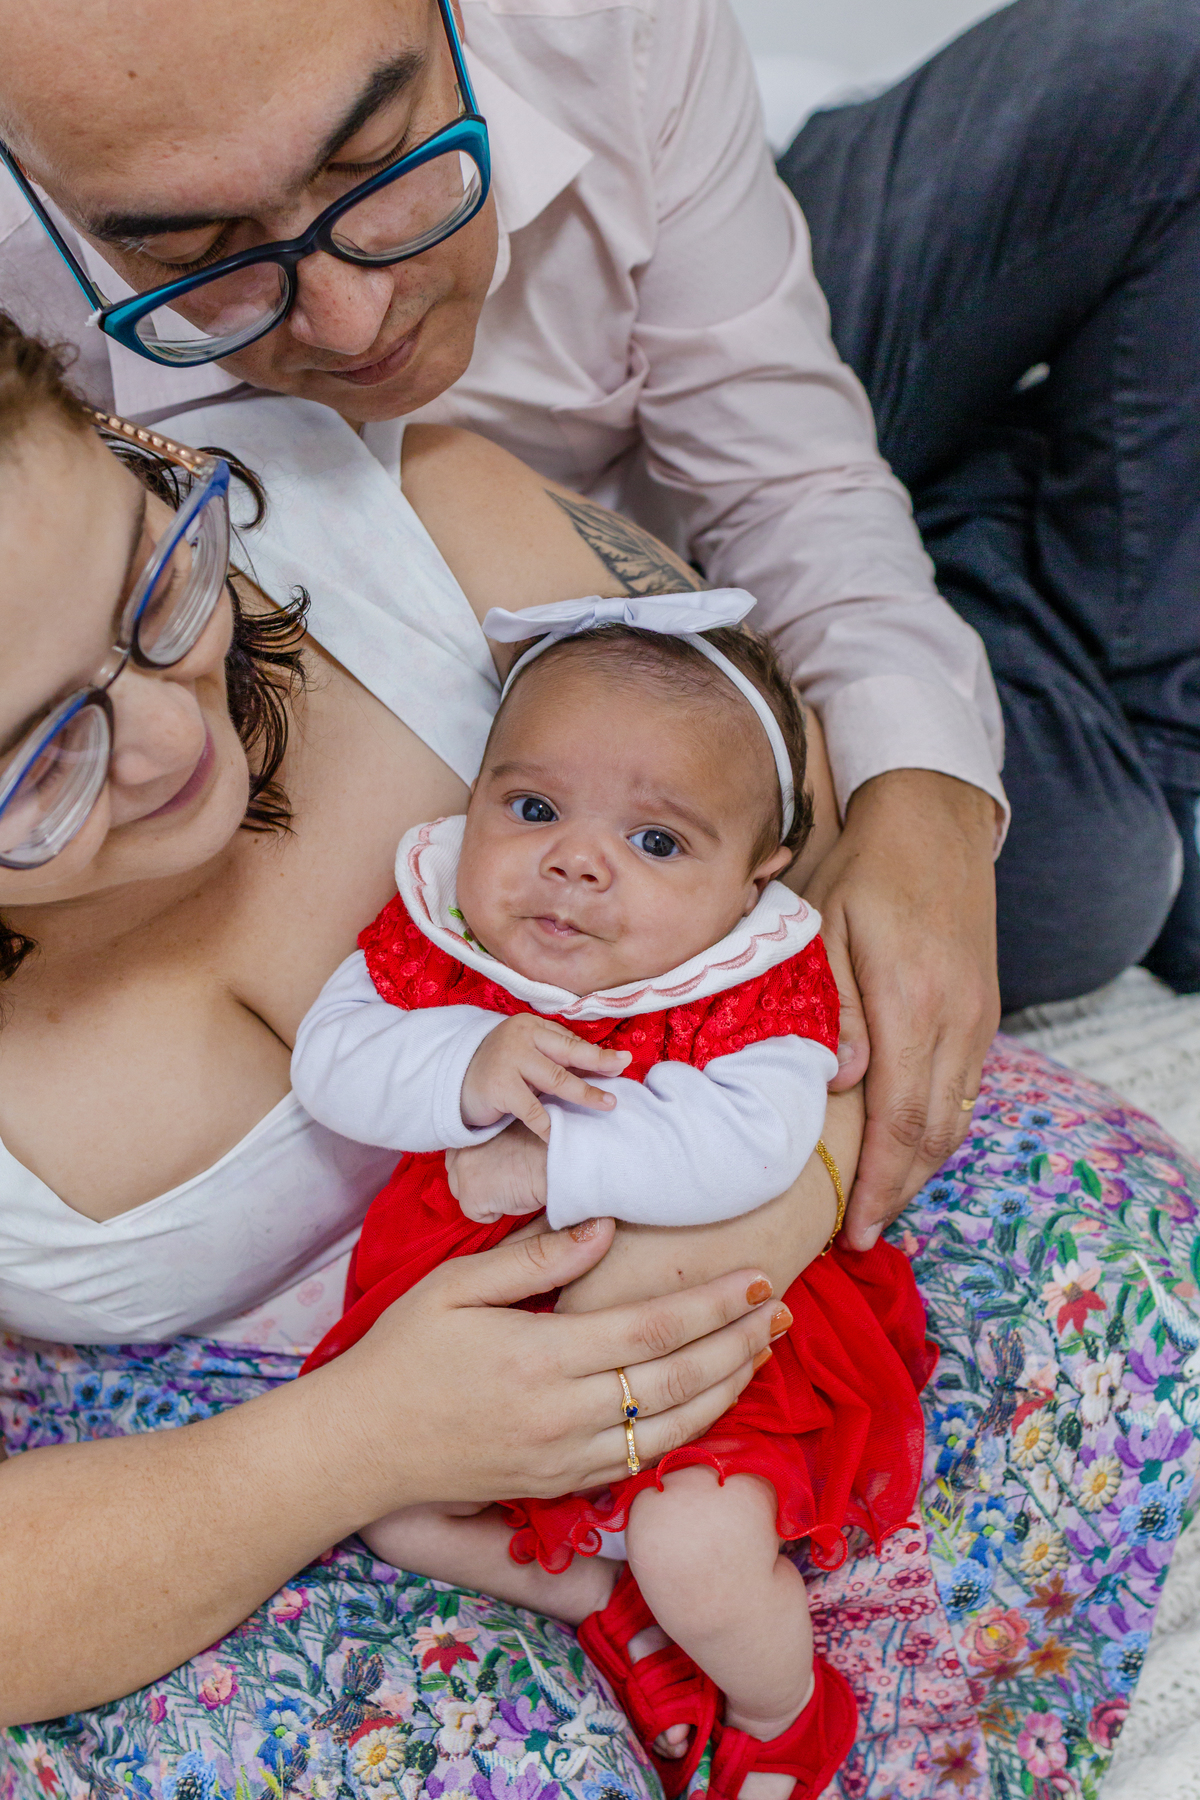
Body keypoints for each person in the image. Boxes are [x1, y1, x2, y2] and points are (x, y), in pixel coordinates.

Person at [0, 330, 1196, 1799]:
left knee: (1100, 1271)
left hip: (739, 1214)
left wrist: (787, 1196)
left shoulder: (395, 511)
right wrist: (360, 1441)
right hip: (242, 1485)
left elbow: (783, 817)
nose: (167, 727)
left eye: (152, 582)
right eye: (38, 760)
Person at [0, 0, 1007, 1258]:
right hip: (646, 606)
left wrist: (933, 793)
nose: (348, 323)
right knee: (1096, 860)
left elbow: (791, 485)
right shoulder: (40, 347)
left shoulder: (604, 32)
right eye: (195, 251)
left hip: (693, 558)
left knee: (1138, 83)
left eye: (377, 162)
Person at [289, 592, 934, 1800]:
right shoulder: (445, 933)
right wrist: (463, 1067)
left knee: (696, 1550)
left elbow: (756, 1146)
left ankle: (783, 1713)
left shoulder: (749, 978)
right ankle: (600, 1599)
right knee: (398, 1514)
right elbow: (330, 1061)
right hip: (468, 1322)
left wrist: (551, 1164)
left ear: (754, 877)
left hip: (692, 1334)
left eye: (657, 841)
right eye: (533, 809)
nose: (576, 861)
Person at [778, 0, 1200, 1009]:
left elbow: (761, 452)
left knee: (1171, 67)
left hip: (728, 359)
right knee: (1085, 880)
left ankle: (1173, 752)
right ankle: (1000, 481)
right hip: (610, 514)